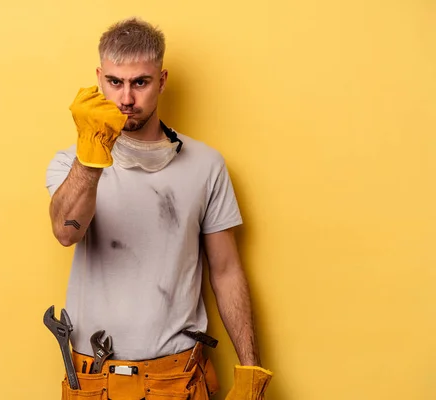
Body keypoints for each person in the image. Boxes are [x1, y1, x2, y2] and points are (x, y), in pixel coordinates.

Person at [45, 17, 273, 400]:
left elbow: (227, 269)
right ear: (99, 78)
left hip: (177, 378)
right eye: (115, 82)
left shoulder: (206, 164)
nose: (126, 99)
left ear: (162, 80)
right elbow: (66, 232)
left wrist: (251, 371)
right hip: (93, 379)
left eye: (141, 82)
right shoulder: (70, 164)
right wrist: (89, 155)